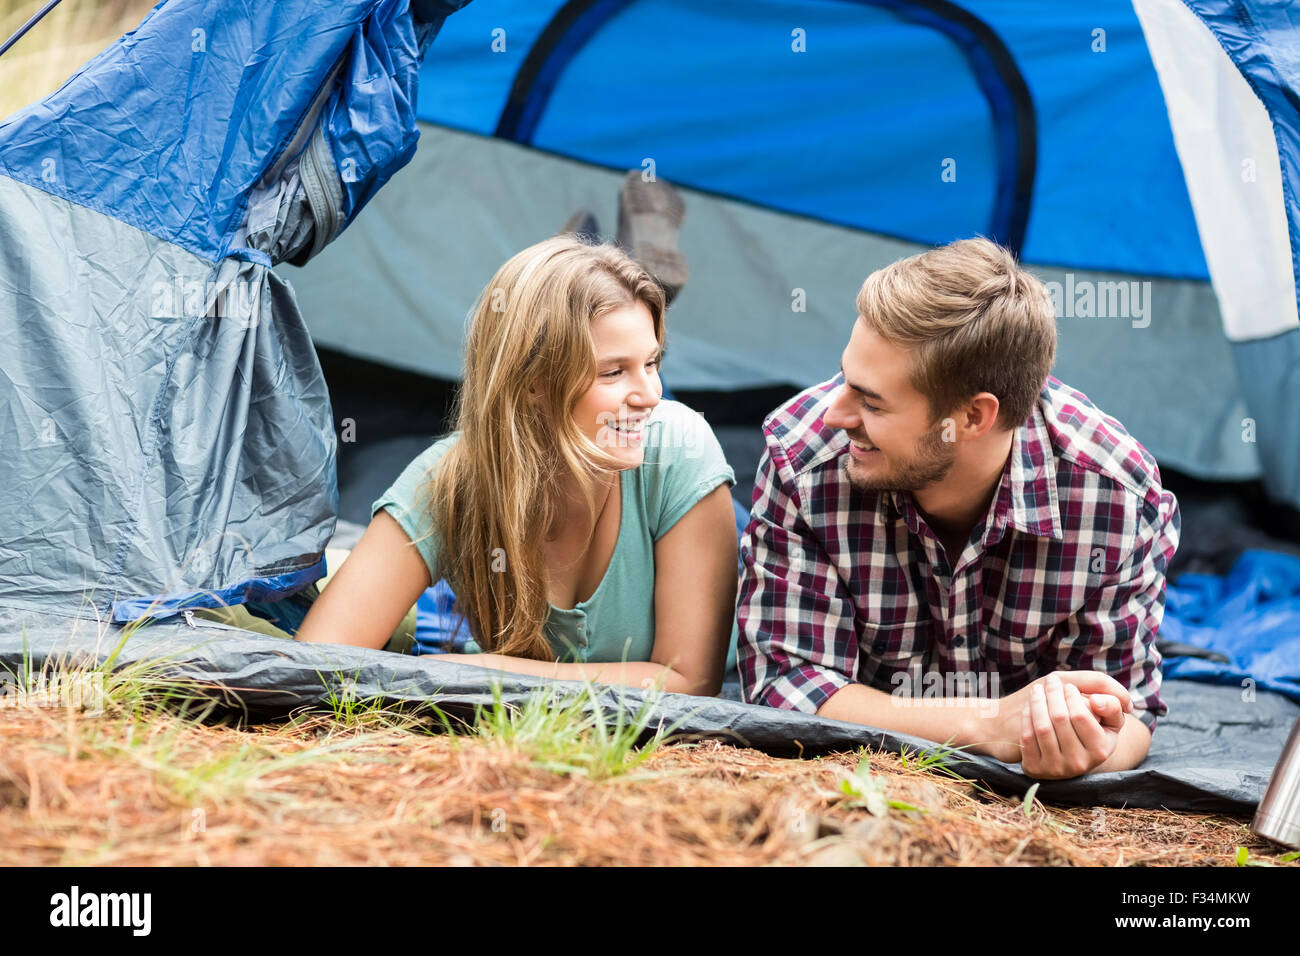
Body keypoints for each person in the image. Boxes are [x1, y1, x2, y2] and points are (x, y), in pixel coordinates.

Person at [736, 237, 1181, 780]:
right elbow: (786, 686)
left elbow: (1128, 712)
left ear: (972, 418)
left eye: (871, 401)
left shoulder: (1114, 497)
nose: (835, 414)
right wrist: (990, 724)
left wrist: (1081, 745)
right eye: (846, 379)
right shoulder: (803, 460)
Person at [296, 235, 739, 696]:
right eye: (613, 371)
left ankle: (631, 246)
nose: (651, 393)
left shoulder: (681, 447)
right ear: (532, 383)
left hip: (684, 503)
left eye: (652, 363)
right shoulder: (448, 478)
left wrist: (482, 671)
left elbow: (690, 682)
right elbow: (318, 662)